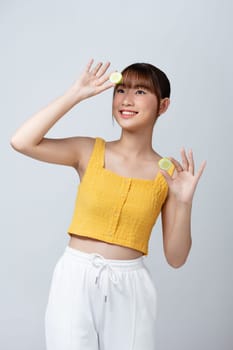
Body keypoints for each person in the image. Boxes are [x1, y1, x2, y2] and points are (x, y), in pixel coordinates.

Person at [10, 59, 206, 350]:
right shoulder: (88, 150)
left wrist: (184, 201)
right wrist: (75, 94)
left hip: (131, 285)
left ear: (163, 106)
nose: (126, 99)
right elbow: (21, 141)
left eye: (140, 91)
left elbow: (176, 258)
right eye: (121, 90)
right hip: (74, 279)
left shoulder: (170, 174)